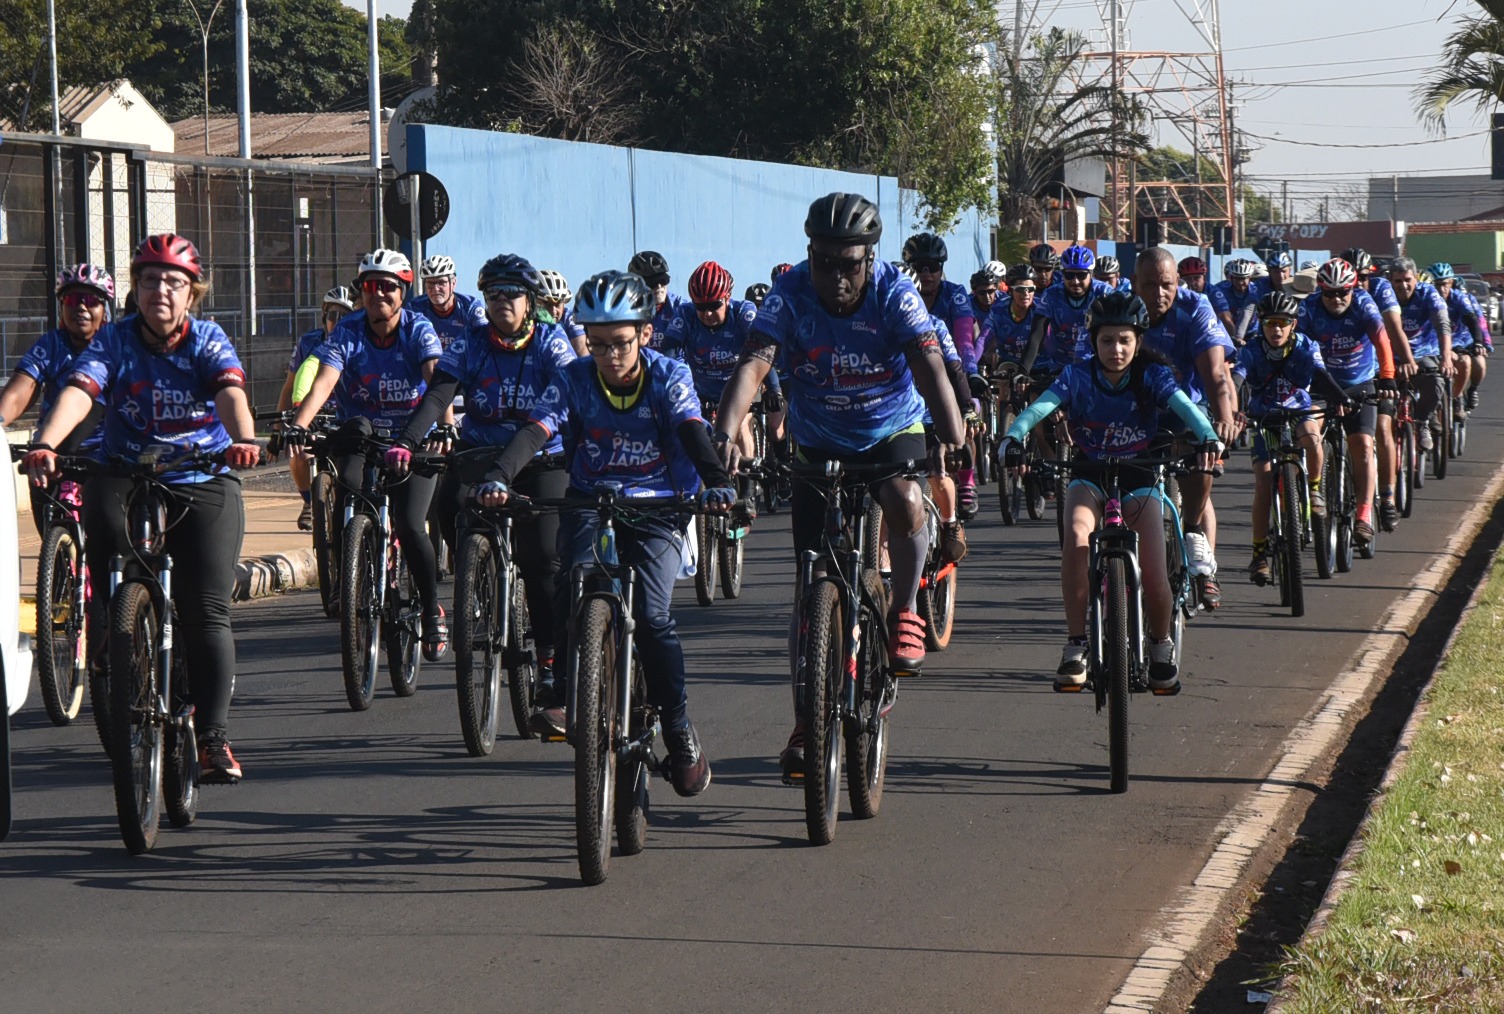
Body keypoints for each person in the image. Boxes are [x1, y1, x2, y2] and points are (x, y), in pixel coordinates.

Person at [712, 192, 964, 780]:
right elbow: (754, 363)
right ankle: (807, 717)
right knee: (810, 585)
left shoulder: (895, 292)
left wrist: (950, 426)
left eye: (850, 264)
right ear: (810, 254)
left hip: (888, 428)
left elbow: (928, 363)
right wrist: (725, 432)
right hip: (818, 436)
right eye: (825, 262)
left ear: (870, 259)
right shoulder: (790, 293)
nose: (837, 277)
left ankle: (904, 609)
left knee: (904, 498)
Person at [475, 270, 731, 797]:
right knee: (572, 582)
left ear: (644, 334)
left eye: (620, 343)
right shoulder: (574, 378)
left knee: (655, 616)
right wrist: (500, 474)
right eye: (597, 345)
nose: (610, 357)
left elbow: (690, 428)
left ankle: (679, 730)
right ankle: (572, 693)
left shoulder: (670, 375)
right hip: (592, 499)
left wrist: (718, 483)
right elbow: (538, 428)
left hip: (662, 504)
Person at [21, 234, 262, 783]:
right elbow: (81, 391)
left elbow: (229, 393)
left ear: (192, 293)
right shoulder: (113, 339)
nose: (161, 291)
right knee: (107, 539)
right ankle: (117, 630)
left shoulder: (207, 339)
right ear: (136, 288)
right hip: (124, 470)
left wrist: (243, 438)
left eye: (173, 282)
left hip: (199, 474)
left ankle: (213, 737)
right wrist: (49, 443)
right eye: (150, 280)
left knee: (207, 611)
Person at [998, 292, 1221, 693]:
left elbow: (1187, 407)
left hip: (1140, 475)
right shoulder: (1077, 374)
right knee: (1077, 541)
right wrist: (1013, 436)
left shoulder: (1152, 375)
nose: (1116, 350)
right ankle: (1076, 645)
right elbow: (1041, 408)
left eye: (1125, 341)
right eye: (1106, 341)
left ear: (1138, 341)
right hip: (1089, 472)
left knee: (1154, 572)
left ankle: (1160, 646)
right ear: (1093, 341)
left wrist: (1208, 437)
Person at [387, 253, 575, 718]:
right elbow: (438, 394)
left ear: (530, 302)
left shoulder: (552, 343)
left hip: (540, 459)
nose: (502, 302)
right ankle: (479, 582)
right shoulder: (470, 343)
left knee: (541, 556)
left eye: (511, 294)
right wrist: (408, 441)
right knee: (449, 504)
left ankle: (549, 657)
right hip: (481, 454)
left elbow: (567, 400)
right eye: (493, 294)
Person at [286, 249, 450, 661]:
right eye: (370, 287)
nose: (378, 294)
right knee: (349, 497)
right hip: (362, 436)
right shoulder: (348, 330)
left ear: (403, 292)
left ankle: (431, 608)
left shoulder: (419, 329)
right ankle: (352, 574)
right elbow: (324, 382)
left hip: (413, 439)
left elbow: (437, 383)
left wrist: (444, 426)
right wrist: (298, 425)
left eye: (388, 287)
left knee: (413, 525)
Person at [1135, 248, 1238, 608]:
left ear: (1177, 283)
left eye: (1166, 285)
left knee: (1200, 464)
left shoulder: (1196, 308)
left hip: (1187, 408)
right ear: (1135, 285)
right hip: (1136, 412)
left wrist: (1223, 420)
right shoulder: (1122, 308)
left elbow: (1214, 374)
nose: (1158, 294)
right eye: (1149, 285)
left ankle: (1196, 539)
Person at [1235, 292, 1349, 584]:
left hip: (1297, 411)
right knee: (1263, 482)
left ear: (1293, 324)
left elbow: (1321, 376)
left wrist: (1342, 397)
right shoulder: (1251, 350)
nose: (1276, 330)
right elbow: (1236, 379)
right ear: (1260, 324)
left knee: (1312, 438)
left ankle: (1314, 489)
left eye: (1282, 323)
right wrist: (1233, 410)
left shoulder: (1306, 346)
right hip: (1264, 417)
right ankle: (1259, 554)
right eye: (1270, 323)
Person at [0, 264, 112, 533]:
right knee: (53, 536)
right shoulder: (51, 344)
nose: (81, 308)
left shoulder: (115, 344)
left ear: (105, 309)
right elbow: (20, 390)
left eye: (91, 301)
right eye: (72, 300)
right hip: (52, 450)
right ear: (62, 307)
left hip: (105, 456)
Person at [1297, 259, 1396, 540]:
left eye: (1343, 291)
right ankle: (1313, 492)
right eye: (1329, 293)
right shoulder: (1309, 308)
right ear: (1320, 290)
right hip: (1320, 384)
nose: (1337, 298)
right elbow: (1298, 347)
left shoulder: (1363, 303)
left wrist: (1387, 375)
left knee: (1363, 444)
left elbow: (1381, 338)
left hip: (1358, 384)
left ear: (1353, 288)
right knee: (1307, 432)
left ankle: (1365, 512)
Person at [663, 260, 779, 474]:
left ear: (727, 298)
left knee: (742, 425)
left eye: (713, 305)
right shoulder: (686, 315)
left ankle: (748, 490)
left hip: (738, 385)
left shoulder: (743, 312)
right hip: (703, 388)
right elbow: (668, 353)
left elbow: (762, 351)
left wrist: (774, 389)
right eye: (701, 306)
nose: (707, 313)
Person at [903, 232, 980, 519]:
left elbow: (962, 340)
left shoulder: (954, 295)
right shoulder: (896, 299)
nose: (926, 273)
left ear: (942, 268)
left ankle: (967, 479)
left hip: (949, 367)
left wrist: (970, 379)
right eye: (920, 266)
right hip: (906, 388)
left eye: (932, 266)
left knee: (964, 416)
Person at [270, 285, 355, 531]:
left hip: (346, 411)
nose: (337, 322)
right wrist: (278, 429)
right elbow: (289, 386)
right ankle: (309, 502)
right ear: (324, 316)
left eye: (345, 317)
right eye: (333, 316)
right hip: (314, 410)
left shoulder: (357, 341)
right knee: (299, 452)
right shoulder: (309, 342)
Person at [1387, 257, 1453, 465]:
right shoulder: (1384, 295)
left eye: (1407, 280)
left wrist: (1446, 358)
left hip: (1422, 353)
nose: (1403, 285)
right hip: (1389, 355)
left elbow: (1442, 324)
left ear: (1415, 278)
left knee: (1436, 382)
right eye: (1397, 281)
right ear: (1391, 281)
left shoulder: (1428, 293)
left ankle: (1422, 421)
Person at [1035, 244, 1113, 371]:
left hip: (1095, 364)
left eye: (1081, 275)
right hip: (1060, 366)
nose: (1075, 281)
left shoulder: (1104, 292)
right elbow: (1036, 334)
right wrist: (1023, 370)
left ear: (1091, 274)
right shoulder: (1051, 294)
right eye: (1069, 275)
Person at [1429, 263, 1484, 417]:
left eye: (1445, 284)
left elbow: (1472, 319)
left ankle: (1457, 396)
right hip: (1432, 344)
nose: (1441, 289)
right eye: (1437, 285)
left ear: (1451, 283)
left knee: (1468, 362)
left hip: (1457, 342)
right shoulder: (1426, 297)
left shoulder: (1458, 297)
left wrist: (1479, 342)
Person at [409, 254, 487, 351]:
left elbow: (485, 344)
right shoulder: (416, 307)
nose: (436, 289)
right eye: (430, 283)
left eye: (441, 282)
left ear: (453, 283)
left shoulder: (471, 307)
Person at [630, 250, 689, 357]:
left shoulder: (681, 308)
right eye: (652, 283)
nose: (659, 287)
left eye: (663, 280)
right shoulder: (626, 309)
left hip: (674, 368)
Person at [1211, 257, 1259, 346]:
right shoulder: (1221, 289)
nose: (1240, 282)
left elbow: (1247, 313)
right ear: (1231, 277)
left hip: (1253, 333)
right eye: (1237, 278)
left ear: (1249, 278)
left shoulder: (1256, 290)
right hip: (1227, 333)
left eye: (1243, 278)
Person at [537, 269, 586, 355]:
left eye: (557, 304)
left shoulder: (570, 318)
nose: (553, 311)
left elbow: (582, 354)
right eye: (547, 304)